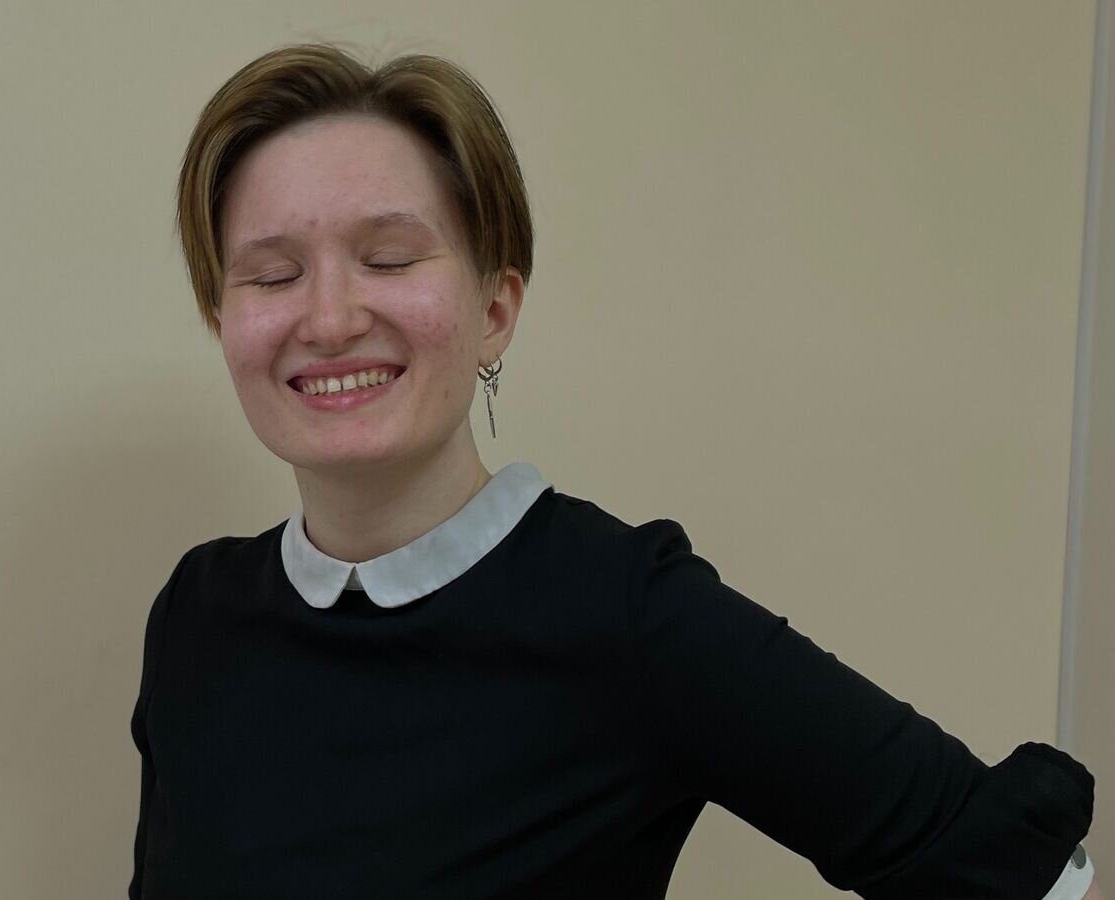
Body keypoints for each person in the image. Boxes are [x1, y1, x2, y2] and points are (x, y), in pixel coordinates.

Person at [128, 42, 1099, 899]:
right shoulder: (196, 617)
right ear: (224, 318)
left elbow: (1007, 871)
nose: (329, 318)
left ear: (495, 309)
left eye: (387, 259)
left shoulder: (626, 613)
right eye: (271, 274)